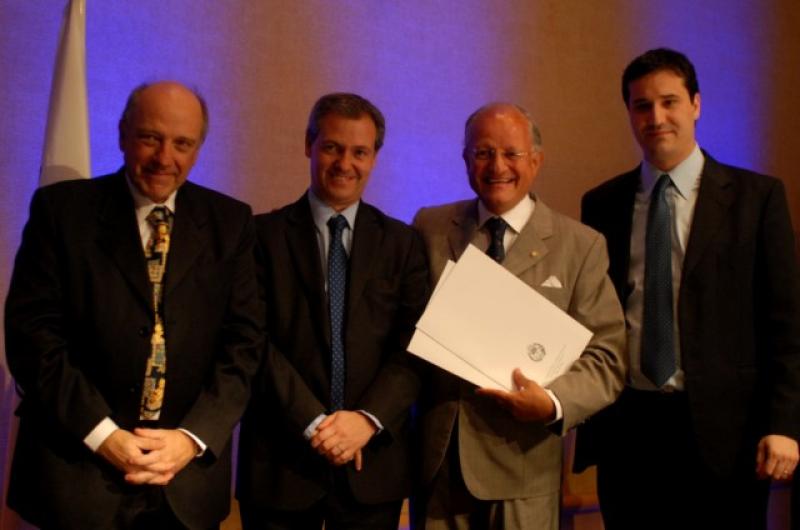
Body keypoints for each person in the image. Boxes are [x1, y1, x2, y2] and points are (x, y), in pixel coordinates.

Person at [4, 81, 264, 530]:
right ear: (123, 134)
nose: (165, 157)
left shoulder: (231, 221)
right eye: (150, 138)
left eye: (182, 144)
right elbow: (33, 337)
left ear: (198, 149)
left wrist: (191, 438)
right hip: (75, 474)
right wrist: (104, 435)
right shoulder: (61, 211)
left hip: (184, 482)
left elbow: (245, 343)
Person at [574, 48, 800, 530]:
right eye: (642, 106)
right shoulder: (602, 204)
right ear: (629, 113)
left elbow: (786, 324)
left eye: (669, 102)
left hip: (727, 437)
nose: (656, 118)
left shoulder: (757, 198)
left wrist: (784, 424)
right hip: (630, 431)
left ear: (696, 104)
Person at [411, 102, 626, 530]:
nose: (497, 167)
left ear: (536, 161)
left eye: (512, 153)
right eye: (483, 153)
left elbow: (608, 357)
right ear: (466, 159)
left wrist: (553, 402)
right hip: (437, 469)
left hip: (524, 470)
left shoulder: (580, 246)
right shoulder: (429, 228)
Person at [236, 92, 429, 530]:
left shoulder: (403, 244)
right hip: (280, 464)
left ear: (374, 157)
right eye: (332, 147)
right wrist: (314, 423)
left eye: (359, 152)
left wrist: (366, 420)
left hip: (371, 464)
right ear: (309, 145)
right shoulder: (259, 236)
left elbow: (416, 347)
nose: (345, 163)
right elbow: (252, 342)